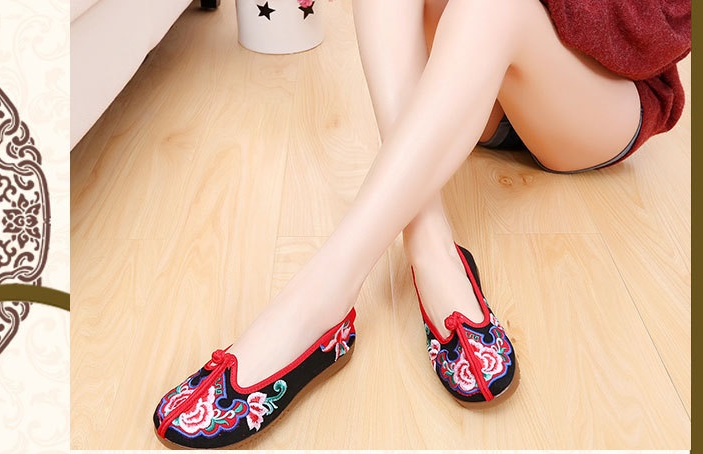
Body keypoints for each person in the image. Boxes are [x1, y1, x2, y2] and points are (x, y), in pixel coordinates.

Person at [152, 0, 690, 448]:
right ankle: (431, 246)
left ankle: (318, 300)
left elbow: (655, 36)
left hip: (594, 99)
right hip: (478, 83)